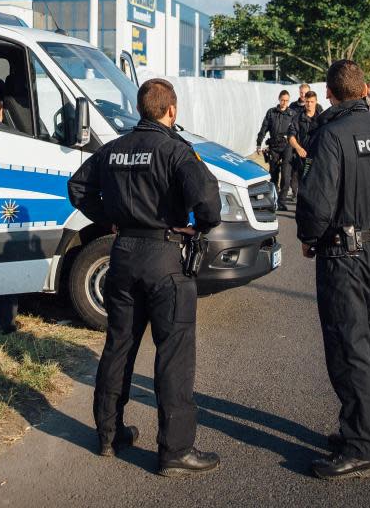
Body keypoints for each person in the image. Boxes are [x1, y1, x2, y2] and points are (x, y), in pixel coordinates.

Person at [67, 78, 222, 477]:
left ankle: (108, 434)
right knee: (173, 354)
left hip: (122, 256)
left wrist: (111, 219)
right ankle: (175, 451)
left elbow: (78, 187)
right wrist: (198, 226)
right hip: (165, 257)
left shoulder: (114, 150)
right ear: (171, 111)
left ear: (140, 109)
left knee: (119, 346)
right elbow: (209, 204)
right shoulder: (176, 150)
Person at [295, 60, 370, 481]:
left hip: (344, 256)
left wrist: (309, 235)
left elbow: (317, 201)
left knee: (349, 347)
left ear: (330, 93)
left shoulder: (332, 136)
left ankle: (360, 448)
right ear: (363, 90)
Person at [256, 90, 295, 210]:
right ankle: (274, 199)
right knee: (273, 174)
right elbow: (264, 128)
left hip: (287, 146)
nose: (284, 102)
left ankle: (282, 202)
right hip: (274, 146)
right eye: (282, 100)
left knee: (286, 174)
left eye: (287, 100)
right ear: (279, 99)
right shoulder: (271, 112)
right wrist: (259, 143)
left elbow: (296, 131)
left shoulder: (292, 114)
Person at [288, 90, 323, 198]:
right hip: (302, 156)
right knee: (303, 184)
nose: (309, 104)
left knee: (317, 184)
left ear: (316, 102)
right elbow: (291, 136)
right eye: (307, 101)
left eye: (312, 102)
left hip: (318, 156)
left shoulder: (322, 118)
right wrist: (298, 148)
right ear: (304, 101)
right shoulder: (297, 118)